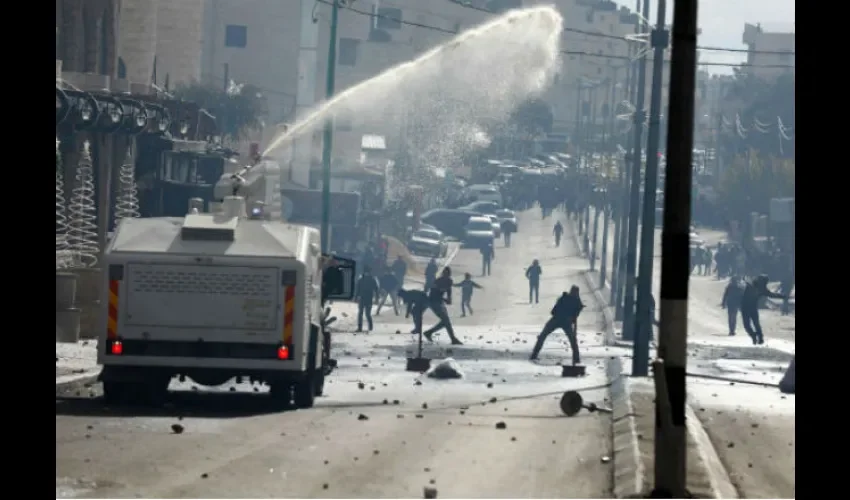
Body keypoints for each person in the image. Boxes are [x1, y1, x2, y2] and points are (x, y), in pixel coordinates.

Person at [530, 285, 584, 364]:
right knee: (573, 340)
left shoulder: (564, 298)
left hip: (556, 319)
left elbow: (553, 311)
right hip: (566, 322)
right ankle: (576, 359)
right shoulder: (577, 302)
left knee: (543, 335)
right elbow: (575, 317)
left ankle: (534, 355)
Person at [740, 274, 787, 345]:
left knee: (749, 325)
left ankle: (756, 336)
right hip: (750, 308)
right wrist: (782, 296)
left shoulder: (759, 287)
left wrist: (781, 296)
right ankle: (757, 337)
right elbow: (772, 295)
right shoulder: (758, 287)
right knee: (754, 324)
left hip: (747, 307)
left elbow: (771, 294)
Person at [422, 267, 463, 345]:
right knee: (446, 321)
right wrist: (444, 299)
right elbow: (433, 293)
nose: (446, 275)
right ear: (443, 274)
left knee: (446, 321)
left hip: (440, 302)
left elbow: (449, 294)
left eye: (447, 274)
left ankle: (429, 332)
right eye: (444, 273)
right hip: (434, 302)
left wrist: (448, 300)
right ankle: (453, 339)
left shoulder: (449, 281)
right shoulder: (438, 281)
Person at [354, 266, 380, 332]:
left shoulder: (362, 279)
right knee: (365, 313)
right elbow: (376, 289)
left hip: (364, 298)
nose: (367, 273)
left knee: (363, 313)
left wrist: (356, 297)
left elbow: (357, 289)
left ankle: (362, 328)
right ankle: (369, 327)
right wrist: (377, 298)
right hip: (367, 298)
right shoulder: (372, 279)